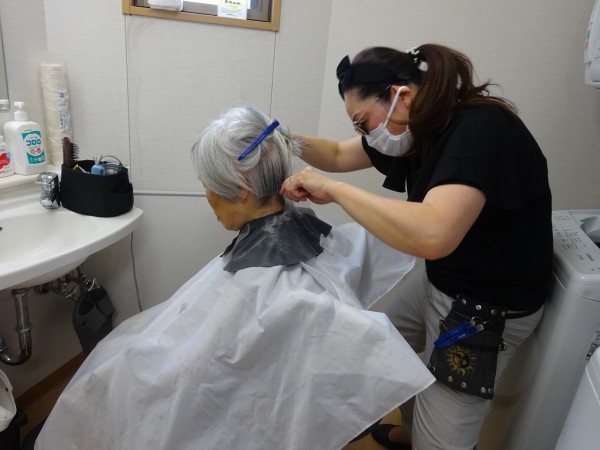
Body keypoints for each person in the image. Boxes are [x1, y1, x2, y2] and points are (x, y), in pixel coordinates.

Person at [34, 106, 433, 450]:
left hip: (184, 378)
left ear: (241, 188)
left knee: (117, 375)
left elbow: (202, 366)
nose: (207, 196)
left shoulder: (271, 288)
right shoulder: (306, 229)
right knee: (123, 361)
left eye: (208, 186)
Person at [280, 44, 553, 450]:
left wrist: (334, 191)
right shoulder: (419, 130)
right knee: (387, 352)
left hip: (486, 305)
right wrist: (280, 140)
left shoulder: (480, 132)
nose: (366, 135)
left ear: (400, 96)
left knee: (441, 438)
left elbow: (433, 235)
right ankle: (408, 434)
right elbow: (335, 154)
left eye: (363, 122)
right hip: (444, 277)